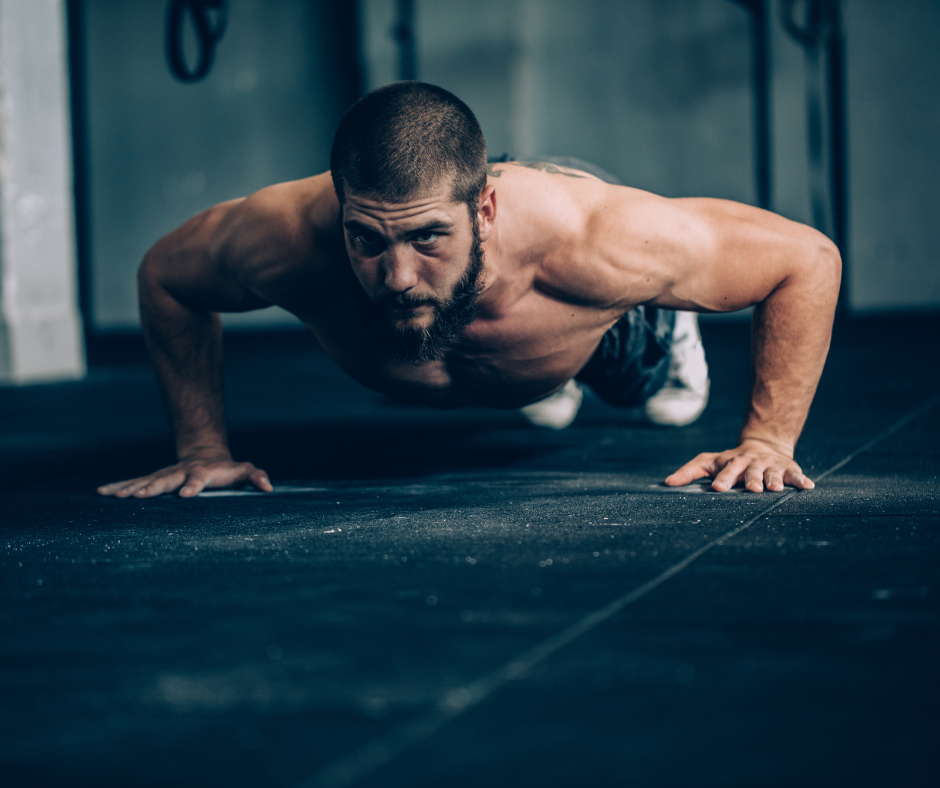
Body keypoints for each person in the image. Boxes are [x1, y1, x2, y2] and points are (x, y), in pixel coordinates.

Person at [97, 82, 840, 500]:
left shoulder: (596, 238)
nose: (395, 276)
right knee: (493, 350)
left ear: (483, 211)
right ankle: (537, 374)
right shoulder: (287, 236)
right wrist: (201, 447)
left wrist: (767, 441)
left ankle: (652, 333)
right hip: (491, 291)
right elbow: (166, 277)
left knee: (657, 394)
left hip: (577, 283)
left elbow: (807, 259)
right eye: (367, 239)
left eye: (427, 238)